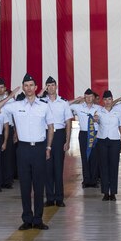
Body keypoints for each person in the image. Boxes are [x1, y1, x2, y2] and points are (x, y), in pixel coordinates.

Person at [0, 73, 54, 230]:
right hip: (23, 149)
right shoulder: (15, 105)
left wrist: (48, 147)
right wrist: (10, 95)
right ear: (23, 87)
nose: (28, 88)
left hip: (40, 148)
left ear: (36, 87)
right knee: (25, 185)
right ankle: (27, 218)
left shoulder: (44, 106)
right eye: (25, 85)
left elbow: (51, 127)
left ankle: (38, 219)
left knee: (39, 185)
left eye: (31, 85)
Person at [42, 77, 74, 205]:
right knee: (47, 168)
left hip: (59, 135)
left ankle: (59, 198)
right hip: (45, 136)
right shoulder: (42, 102)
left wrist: (67, 141)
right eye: (48, 85)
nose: (50, 87)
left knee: (58, 168)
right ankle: (50, 198)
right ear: (46, 87)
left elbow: (68, 123)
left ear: (56, 87)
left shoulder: (64, 103)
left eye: (52, 85)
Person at [95, 91, 121, 200]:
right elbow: (95, 119)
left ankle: (112, 192)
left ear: (112, 100)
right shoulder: (99, 111)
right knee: (103, 167)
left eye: (109, 99)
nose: (107, 102)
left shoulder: (118, 112)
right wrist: (95, 119)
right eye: (106, 99)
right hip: (102, 141)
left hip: (114, 141)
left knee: (113, 166)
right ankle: (105, 193)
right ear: (103, 100)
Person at [70, 88, 102, 187]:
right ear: (84, 97)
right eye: (86, 97)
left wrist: (98, 120)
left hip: (95, 134)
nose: (88, 98)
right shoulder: (78, 107)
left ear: (93, 97)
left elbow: (103, 121)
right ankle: (86, 180)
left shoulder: (99, 108)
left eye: (90, 96)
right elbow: (65, 105)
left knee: (94, 158)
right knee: (85, 157)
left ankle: (94, 180)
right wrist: (76, 99)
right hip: (84, 134)